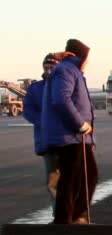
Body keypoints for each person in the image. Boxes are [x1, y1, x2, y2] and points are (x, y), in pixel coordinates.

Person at [41, 39, 98, 224]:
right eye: (87, 57)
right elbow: (61, 100)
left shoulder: (71, 71)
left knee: (82, 177)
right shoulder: (66, 70)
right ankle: (66, 220)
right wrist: (80, 124)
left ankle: (72, 217)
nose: (88, 61)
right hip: (70, 135)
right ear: (80, 55)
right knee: (74, 179)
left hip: (76, 136)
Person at [22, 53, 63, 213]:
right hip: (47, 141)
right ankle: (59, 215)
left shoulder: (64, 85)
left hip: (67, 140)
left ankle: (71, 213)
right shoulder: (35, 88)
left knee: (69, 180)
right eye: (46, 67)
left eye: (52, 67)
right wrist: (45, 122)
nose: (49, 70)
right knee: (52, 181)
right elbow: (28, 111)